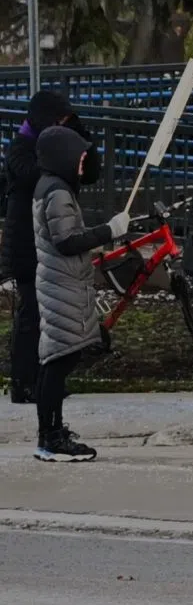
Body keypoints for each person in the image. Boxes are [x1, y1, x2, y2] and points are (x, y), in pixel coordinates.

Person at [26, 124, 126, 460]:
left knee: (59, 358)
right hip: (61, 284)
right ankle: (51, 438)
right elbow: (66, 241)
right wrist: (108, 231)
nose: (83, 165)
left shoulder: (52, 187)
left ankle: (50, 433)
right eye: (80, 158)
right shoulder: (57, 192)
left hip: (63, 282)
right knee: (59, 359)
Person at [8, 93, 91, 410]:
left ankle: (45, 380)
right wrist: (58, 147)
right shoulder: (21, 148)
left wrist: (75, 132)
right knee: (31, 315)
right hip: (27, 245)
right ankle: (23, 381)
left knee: (51, 317)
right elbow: (34, 175)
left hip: (48, 243)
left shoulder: (52, 145)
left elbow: (84, 165)